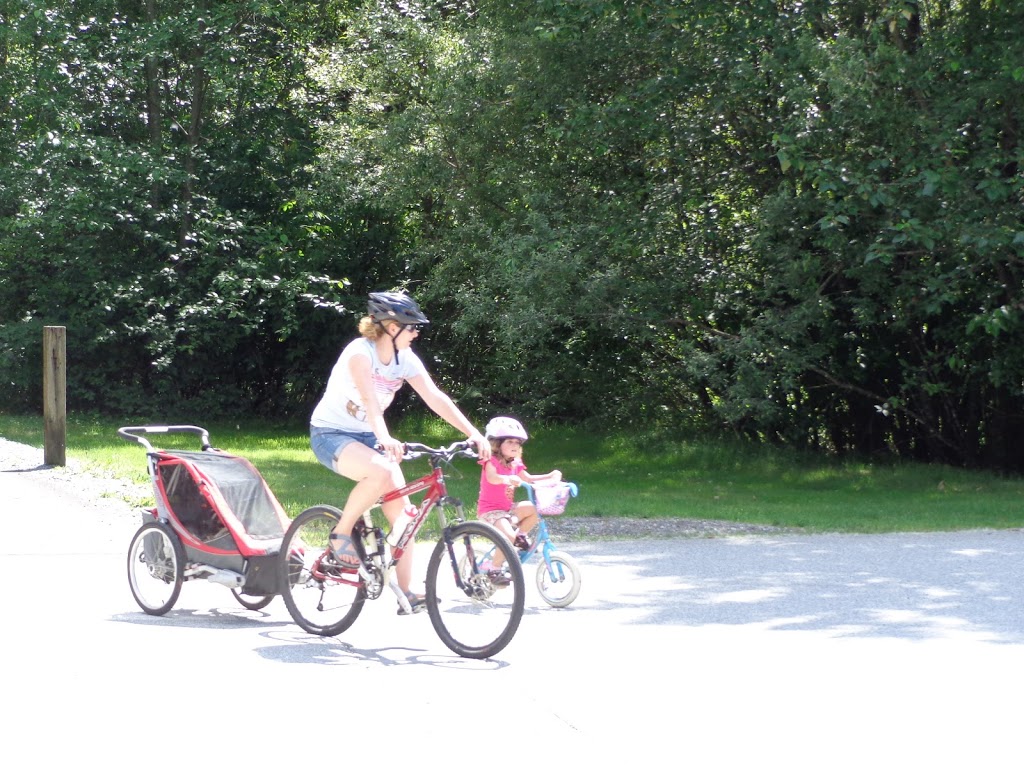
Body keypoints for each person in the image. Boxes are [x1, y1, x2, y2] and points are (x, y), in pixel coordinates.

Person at [309, 291, 491, 614]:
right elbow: (369, 402)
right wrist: (386, 438)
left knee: (406, 519)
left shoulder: (404, 358)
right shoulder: (359, 353)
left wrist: (473, 433)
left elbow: (435, 397)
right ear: (391, 327)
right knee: (379, 471)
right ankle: (340, 534)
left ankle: (406, 592)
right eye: (411, 327)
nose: (416, 333)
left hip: (368, 435)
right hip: (330, 433)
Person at [476, 416, 561, 582]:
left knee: (537, 507)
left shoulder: (515, 462)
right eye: (509, 442)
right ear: (497, 443)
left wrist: (551, 477)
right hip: (490, 511)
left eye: (517, 442)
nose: (515, 445)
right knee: (507, 536)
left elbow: (528, 478)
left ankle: (521, 535)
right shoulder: (490, 461)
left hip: (507, 509)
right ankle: (494, 569)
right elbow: (492, 478)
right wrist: (506, 479)